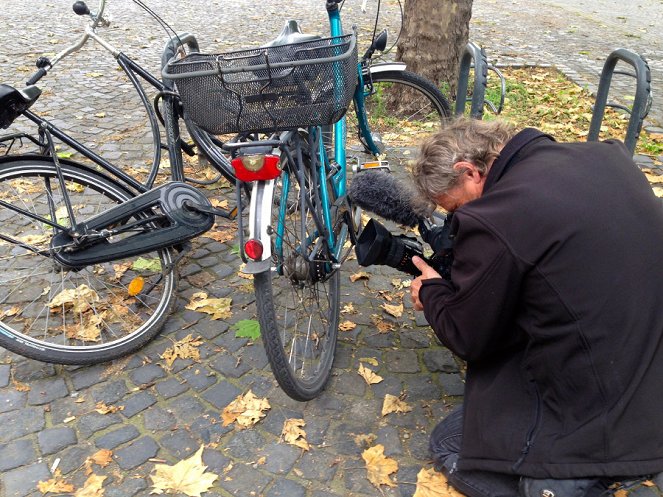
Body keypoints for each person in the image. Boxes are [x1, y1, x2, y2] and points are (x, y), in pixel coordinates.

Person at [408, 117, 663, 497]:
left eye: (455, 209)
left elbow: (468, 337)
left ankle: (574, 479)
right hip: (649, 367)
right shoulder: (608, 155)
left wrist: (432, 293)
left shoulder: (496, 216)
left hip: (592, 405)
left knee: (449, 442)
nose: (456, 220)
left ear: (470, 172)